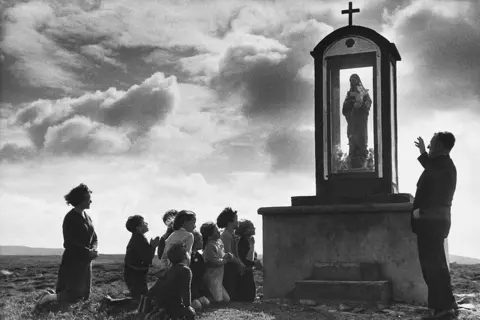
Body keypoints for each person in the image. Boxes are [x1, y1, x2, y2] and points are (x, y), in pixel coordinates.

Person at [412, 132, 458, 320]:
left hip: (431, 222)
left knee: (433, 267)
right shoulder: (443, 165)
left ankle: (443, 310)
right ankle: (447, 305)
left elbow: (436, 193)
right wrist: (423, 153)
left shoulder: (444, 167)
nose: (429, 148)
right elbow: (431, 168)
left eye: (431, 145)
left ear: (439, 146)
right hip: (433, 222)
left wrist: (421, 212)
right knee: (436, 265)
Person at [34, 184, 99, 311]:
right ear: (80, 200)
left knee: (84, 292)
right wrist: (88, 252)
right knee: (72, 291)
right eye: (88, 198)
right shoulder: (70, 218)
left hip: (86, 260)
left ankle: (64, 308)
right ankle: (47, 298)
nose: (90, 201)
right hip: (74, 260)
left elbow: (94, 236)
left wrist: (94, 249)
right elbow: (69, 242)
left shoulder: (87, 217)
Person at [98, 215, 160, 312]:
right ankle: (110, 303)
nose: (146, 224)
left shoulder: (138, 238)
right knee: (139, 300)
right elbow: (147, 259)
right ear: (138, 228)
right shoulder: (139, 240)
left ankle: (111, 304)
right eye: (144, 223)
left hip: (135, 274)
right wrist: (153, 246)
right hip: (135, 275)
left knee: (141, 298)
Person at [148, 243, 196, 320]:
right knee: (191, 313)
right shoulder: (185, 270)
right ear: (185, 256)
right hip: (174, 304)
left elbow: (156, 287)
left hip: (161, 303)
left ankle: (162, 313)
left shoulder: (168, 269)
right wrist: (188, 306)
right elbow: (186, 290)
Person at [342, 73, 372, 169]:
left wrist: (362, 106)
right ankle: (352, 162)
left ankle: (362, 162)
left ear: (358, 81)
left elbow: (368, 102)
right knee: (352, 142)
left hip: (361, 123)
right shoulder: (349, 94)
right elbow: (344, 109)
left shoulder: (362, 91)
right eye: (351, 80)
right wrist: (352, 105)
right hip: (352, 123)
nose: (353, 82)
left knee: (362, 142)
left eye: (354, 80)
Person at [154, 210, 196, 277]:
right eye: (193, 223)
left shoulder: (172, 235)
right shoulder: (189, 235)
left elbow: (163, 255)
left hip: (170, 269)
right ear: (185, 222)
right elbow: (187, 255)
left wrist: (165, 268)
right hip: (181, 270)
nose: (195, 226)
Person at [201, 222, 232, 303]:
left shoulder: (217, 243)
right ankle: (205, 300)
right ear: (209, 235)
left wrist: (226, 255)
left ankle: (209, 299)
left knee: (226, 299)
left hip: (218, 276)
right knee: (219, 300)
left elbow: (220, 255)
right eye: (216, 231)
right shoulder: (210, 245)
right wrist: (226, 260)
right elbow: (215, 261)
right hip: (212, 276)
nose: (218, 232)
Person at [217, 207, 244, 300]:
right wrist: (239, 263)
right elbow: (229, 254)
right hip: (229, 268)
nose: (237, 221)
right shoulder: (226, 235)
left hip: (233, 267)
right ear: (230, 222)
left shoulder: (231, 235)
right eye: (236, 219)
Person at [235, 219, 257, 302]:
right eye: (251, 227)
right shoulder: (242, 242)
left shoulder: (247, 240)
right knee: (248, 297)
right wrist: (252, 246)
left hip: (248, 272)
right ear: (245, 230)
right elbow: (248, 260)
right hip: (244, 272)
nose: (254, 228)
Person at [190, 230, 210, 311]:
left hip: (198, 286)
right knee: (197, 306)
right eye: (200, 240)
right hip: (191, 287)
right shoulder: (188, 256)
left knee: (206, 303)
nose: (202, 242)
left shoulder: (199, 256)